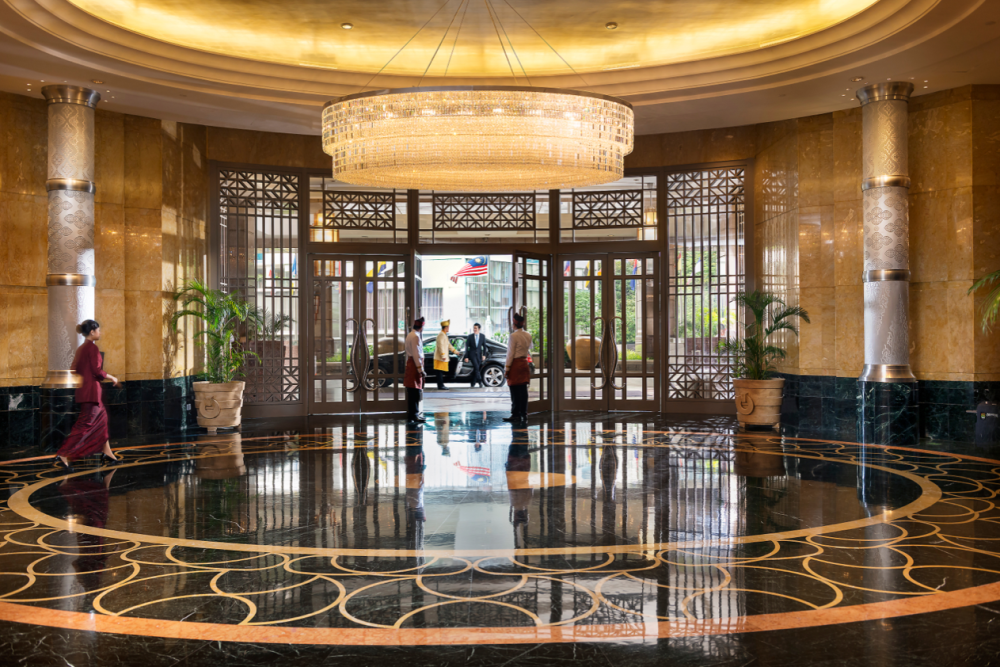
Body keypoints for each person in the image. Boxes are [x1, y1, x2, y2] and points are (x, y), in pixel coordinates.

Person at [54, 320, 122, 473]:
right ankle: (63, 454)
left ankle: (108, 453)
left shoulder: (81, 349)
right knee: (84, 426)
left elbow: (74, 369)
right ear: (92, 331)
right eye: (98, 330)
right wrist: (111, 377)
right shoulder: (92, 349)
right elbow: (97, 371)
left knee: (102, 421)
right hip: (91, 394)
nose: (100, 333)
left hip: (85, 392)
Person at [503, 312, 532, 426]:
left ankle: (515, 414)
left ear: (514, 324)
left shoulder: (513, 336)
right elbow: (530, 347)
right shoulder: (528, 335)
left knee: (514, 390)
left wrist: (507, 368)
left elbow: (510, 354)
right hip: (524, 363)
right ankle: (523, 413)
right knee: (523, 390)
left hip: (515, 364)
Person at [404, 316, 427, 424]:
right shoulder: (415, 337)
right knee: (415, 391)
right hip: (415, 365)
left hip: (411, 364)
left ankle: (413, 414)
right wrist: (420, 370)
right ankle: (414, 415)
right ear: (421, 327)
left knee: (412, 391)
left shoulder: (410, 335)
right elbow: (416, 354)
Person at [434, 320, 458, 390]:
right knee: (439, 372)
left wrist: (456, 352)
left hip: (441, 357)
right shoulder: (441, 335)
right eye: (448, 327)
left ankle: (441, 385)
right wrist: (443, 355)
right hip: (440, 357)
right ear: (446, 328)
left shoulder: (444, 334)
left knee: (440, 372)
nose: (448, 328)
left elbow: (449, 345)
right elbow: (440, 346)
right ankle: (440, 385)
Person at [464, 323, 487, 388]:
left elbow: (484, 347)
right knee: (476, 367)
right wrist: (466, 357)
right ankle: (480, 382)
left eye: (476, 328)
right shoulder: (470, 336)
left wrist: (484, 355)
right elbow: (467, 347)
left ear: (479, 329)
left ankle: (473, 382)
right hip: (472, 354)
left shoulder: (482, 336)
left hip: (479, 355)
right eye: (474, 328)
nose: (474, 329)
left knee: (476, 369)